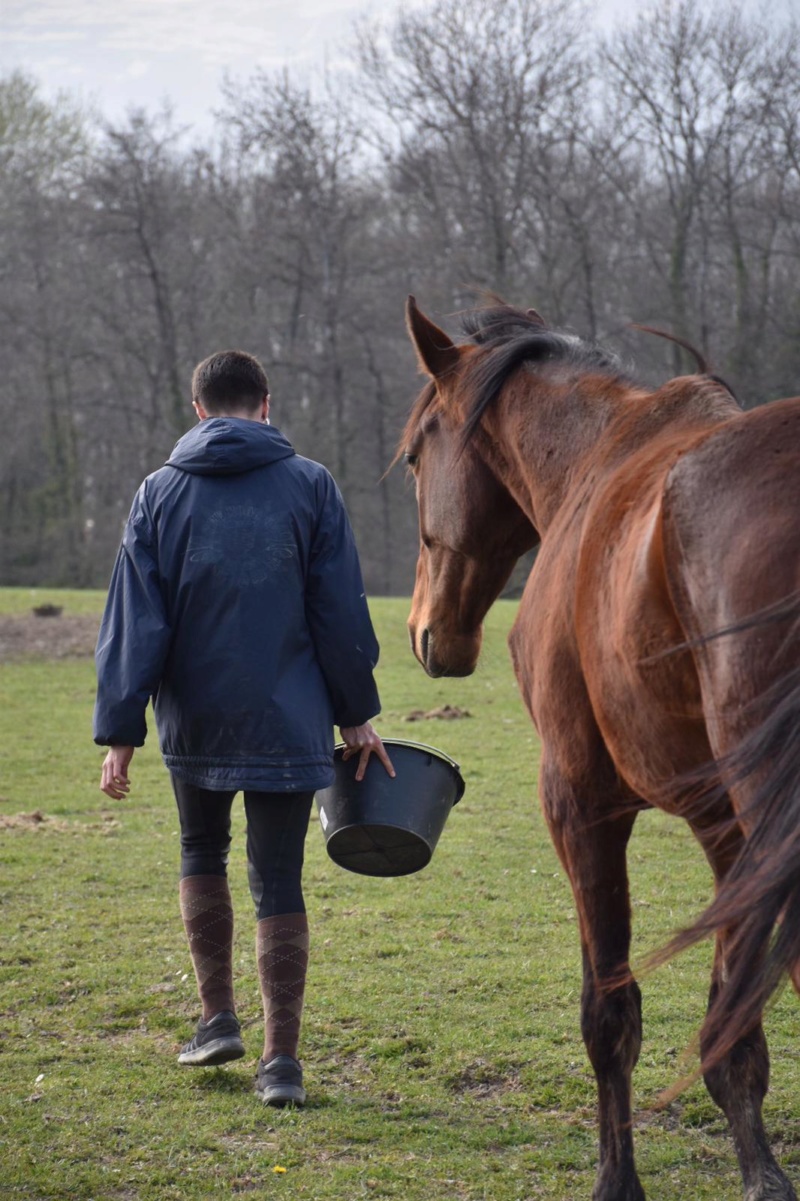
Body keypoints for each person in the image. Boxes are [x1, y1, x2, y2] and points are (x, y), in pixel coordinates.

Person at [93, 349, 394, 1108]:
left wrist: (120, 729)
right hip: (290, 719)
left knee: (201, 848)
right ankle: (280, 1063)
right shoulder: (311, 485)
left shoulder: (158, 492)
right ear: (266, 403)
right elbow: (340, 613)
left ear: (199, 409)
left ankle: (216, 1017)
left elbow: (136, 621)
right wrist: (355, 712)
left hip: (194, 718)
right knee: (280, 874)